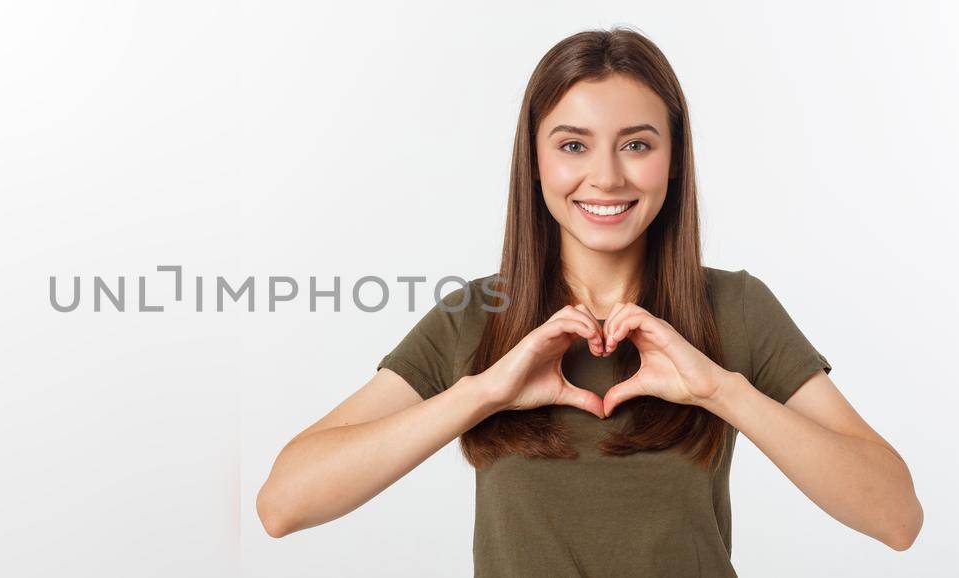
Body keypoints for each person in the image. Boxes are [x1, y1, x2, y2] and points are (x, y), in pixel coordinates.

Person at [255, 27, 923, 577]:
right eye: (573, 144)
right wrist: (482, 393)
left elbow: (897, 518)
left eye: (637, 144)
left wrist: (721, 391)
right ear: (537, 160)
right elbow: (282, 504)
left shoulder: (734, 307)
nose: (606, 176)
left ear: (673, 159)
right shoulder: (477, 316)